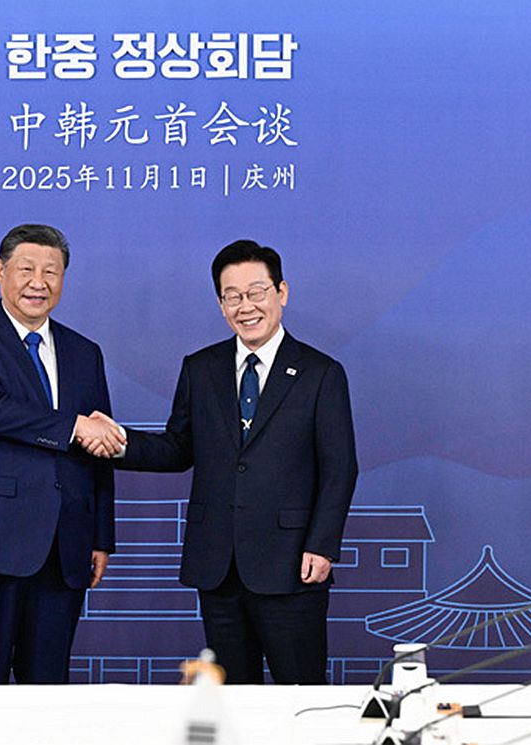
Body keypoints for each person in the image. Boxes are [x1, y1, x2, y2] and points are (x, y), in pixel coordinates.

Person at [83, 239, 357, 684]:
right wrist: (117, 442)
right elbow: (178, 448)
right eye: (233, 296)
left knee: (301, 693)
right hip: (218, 566)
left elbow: (339, 469)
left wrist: (322, 545)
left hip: (291, 564)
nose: (245, 307)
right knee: (231, 698)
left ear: (281, 292)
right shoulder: (201, 368)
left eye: (256, 292)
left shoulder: (320, 373)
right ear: (221, 305)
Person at [0, 224, 125, 683]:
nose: (39, 282)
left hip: (63, 548)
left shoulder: (84, 352)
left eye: (51, 272)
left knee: (49, 692)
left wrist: (100, 535)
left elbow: (97, 448)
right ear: (0, 272)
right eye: (26, 270)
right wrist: (73, 426)